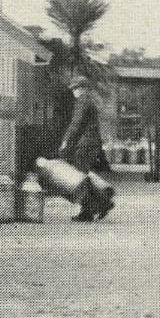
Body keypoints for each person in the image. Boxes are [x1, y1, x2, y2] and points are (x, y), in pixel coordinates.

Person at [60, 75, 111, 221]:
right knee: (82, 176)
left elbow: (76, 124)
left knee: (80, 178)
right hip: (90, 143)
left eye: (76, 88)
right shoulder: (88, 101)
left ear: (83, 88)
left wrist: (66, 141)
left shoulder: (82, 102)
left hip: (86, 144)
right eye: (73, 88)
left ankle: (100, 204)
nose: (73, 91)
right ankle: (91, 208)